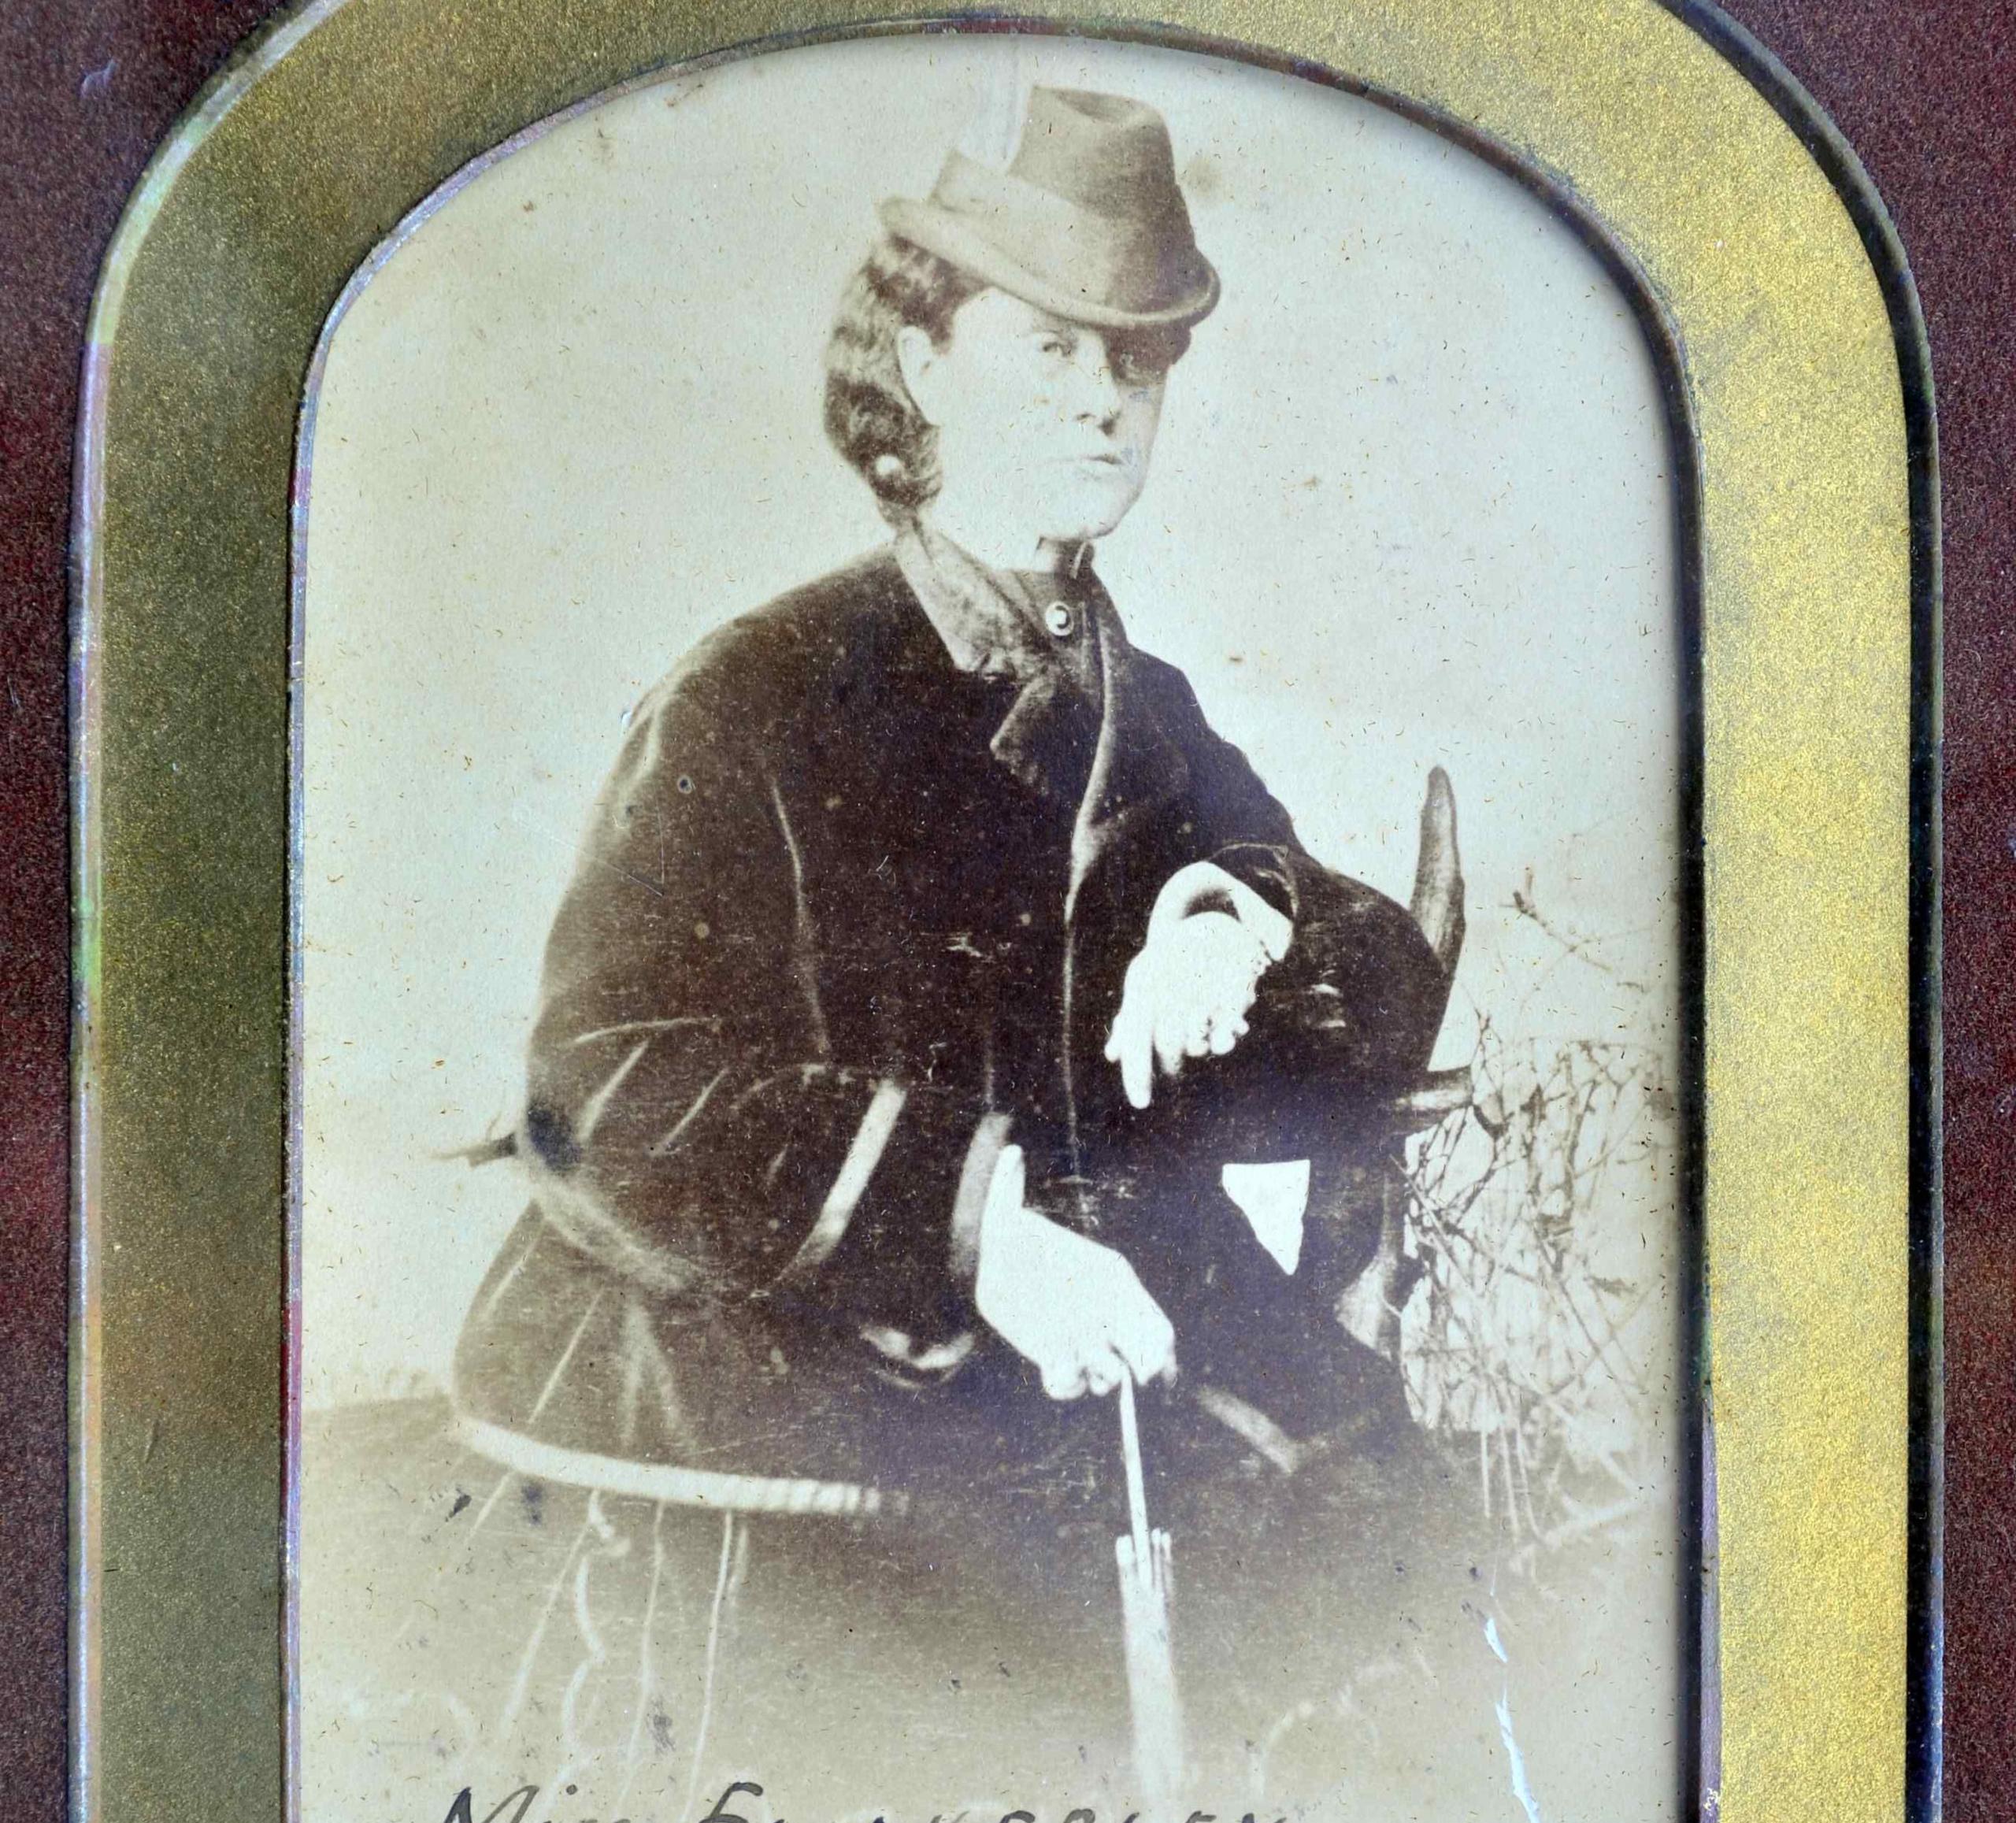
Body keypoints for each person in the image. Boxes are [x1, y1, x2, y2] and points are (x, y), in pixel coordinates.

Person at [450, 87, 1460, 1677]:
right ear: (924, 363)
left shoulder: (1150, 703)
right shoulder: (756, 692)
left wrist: (1230, 918)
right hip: (786, 1358)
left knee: (1382, 1568)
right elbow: (604, 1089)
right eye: (1049, 348)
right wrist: (977, 1220)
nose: (1104, 403)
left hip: (1104, 1323)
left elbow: (1375, 966)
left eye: (1136, 362)